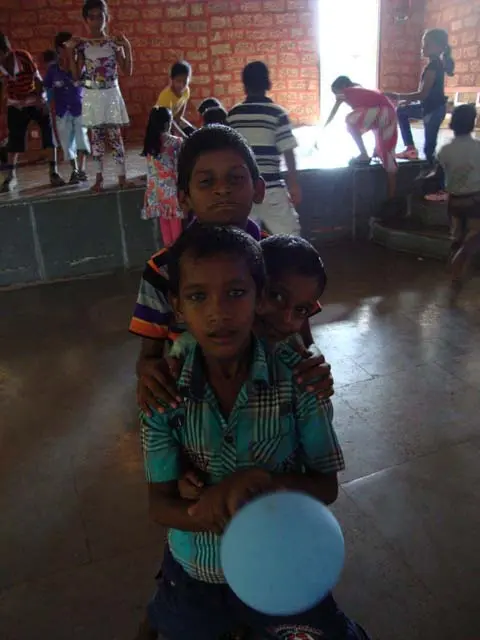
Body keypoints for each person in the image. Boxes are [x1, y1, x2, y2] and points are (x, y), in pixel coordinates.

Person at [139, 223, 369, 640]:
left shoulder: (301, 380)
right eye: (198, 296)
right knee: (174, 622)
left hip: (280, 560)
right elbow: (159, 505)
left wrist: (257, 484)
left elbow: (326, 486)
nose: (219, 312)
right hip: (199, 568)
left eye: (236, 293)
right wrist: (205, 509)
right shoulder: (167, 390)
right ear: (178, 306)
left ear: (256, 295)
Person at [129, 125, 333, 416]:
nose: (222, 189)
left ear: (258, 189)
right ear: (184, 198)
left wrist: (314, 359)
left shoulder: (281, 257)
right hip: (200, 409)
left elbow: (303, 339)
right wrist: (149, 375)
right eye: (206, 181)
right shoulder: (162, 271)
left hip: (275, 403)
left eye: (235, 178)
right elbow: (148, 357)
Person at [227, 61, 301, 235]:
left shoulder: (233, 116)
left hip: (243, 189)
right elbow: (288, 151)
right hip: (271, 188)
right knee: (290, 238)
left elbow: (228, 154)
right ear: (267, 83)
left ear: (244, 85)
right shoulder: (277, 114)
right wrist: (294, 184)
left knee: (245, 239)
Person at [67, 0, 132, 192]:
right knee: (96, 138)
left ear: (106, 17)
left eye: (100, 16)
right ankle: (98, 178)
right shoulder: (82, 46)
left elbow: (127, 70)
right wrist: (70, 53)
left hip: (111, 93)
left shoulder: (113, 43)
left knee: (115, 137)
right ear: (86, 20)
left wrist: (127, 47)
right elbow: (75, 76)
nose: (96, 21)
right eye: (92, 17)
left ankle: (122, 177)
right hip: (92, 95)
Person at [0, 33, 64, 193]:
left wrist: (38, 99)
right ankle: (11, 176)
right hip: (15, 104)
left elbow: (37, 79)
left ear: (6, 50)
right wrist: (9, 103)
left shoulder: (22, 57)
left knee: (48, 135)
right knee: (14, 140)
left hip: (35, 99)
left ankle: (54, 172)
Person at [388, 28, 454, 168]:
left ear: (439, 47)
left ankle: (436, 175)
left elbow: (423, 94)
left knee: (429, 149)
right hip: (429, 107)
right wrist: (409, 100)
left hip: (433, 110)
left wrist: (397, 96)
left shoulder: (433, 67)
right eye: (423, 44)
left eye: (427, 44)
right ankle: (410, 149)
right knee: (401, 111)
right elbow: (427, 94)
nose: (423, 47)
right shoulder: (435, 65)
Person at [325, 76, 398, 199]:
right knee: (386, 156)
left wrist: (324, 127)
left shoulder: (347, 91)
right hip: (389, 115)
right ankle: (392, 197)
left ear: (343, 87)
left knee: (350, 121)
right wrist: (377, 147)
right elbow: (375, 123)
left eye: (335, 92)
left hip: (383, 113)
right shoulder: (360, 90)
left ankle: (364, 154)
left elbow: (334, 111)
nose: (336, 97)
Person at [437, 103, 480, 299]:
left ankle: (456, 274)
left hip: (454, 201)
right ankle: (458, 263)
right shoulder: (478, 148)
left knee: (458, 236)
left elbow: (442, 171)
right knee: (472, 237)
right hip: (475, 200)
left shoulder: (445, 150)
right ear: (473, 123)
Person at [43, 32, 90, 185]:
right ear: (59, 49)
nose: (71, 50)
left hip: (79, 108)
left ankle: (81, 170)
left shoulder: (80, 66)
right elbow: (48, 89)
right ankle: (74, 170)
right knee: (67, 143)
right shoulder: (53, 70)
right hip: (62, 111)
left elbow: (85, 83)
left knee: (81, 138)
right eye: (67, 47)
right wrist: (48, 104)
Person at [141, 106, 183, 247]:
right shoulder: (176, 142)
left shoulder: (149, 143)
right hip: (171, 190)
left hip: (155, 190)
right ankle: (178, 253)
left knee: (164, 222)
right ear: (168, 123)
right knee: (176, 223)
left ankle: (168, 252)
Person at [155, 61, 195, 138]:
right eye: (178, 81)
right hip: (162, 125)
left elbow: (178, 117)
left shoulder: (186, 91)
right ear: (172, 80)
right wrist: (182, 135)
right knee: (179, 140)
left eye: (185, 82)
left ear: (189, 79)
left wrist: (190, 131)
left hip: (173, 120)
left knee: (194, 134)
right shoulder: (166, 96)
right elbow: (169, 121)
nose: (181, 85)